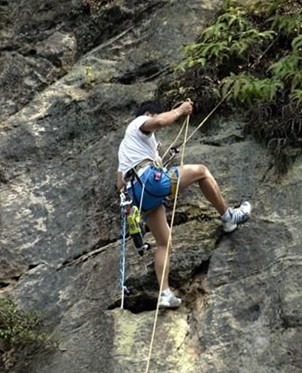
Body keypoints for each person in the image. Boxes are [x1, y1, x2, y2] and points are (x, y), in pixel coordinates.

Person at [116, 100, 251, 309]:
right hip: (150, 183)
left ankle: (164, 293)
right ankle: (228, 217)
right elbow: (160, 121)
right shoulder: (139, 123)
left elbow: (119, 183)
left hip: (138, 197)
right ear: (148, 114)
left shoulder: (126, 149)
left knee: (164, 242)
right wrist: (180, 110)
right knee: (201, 171)